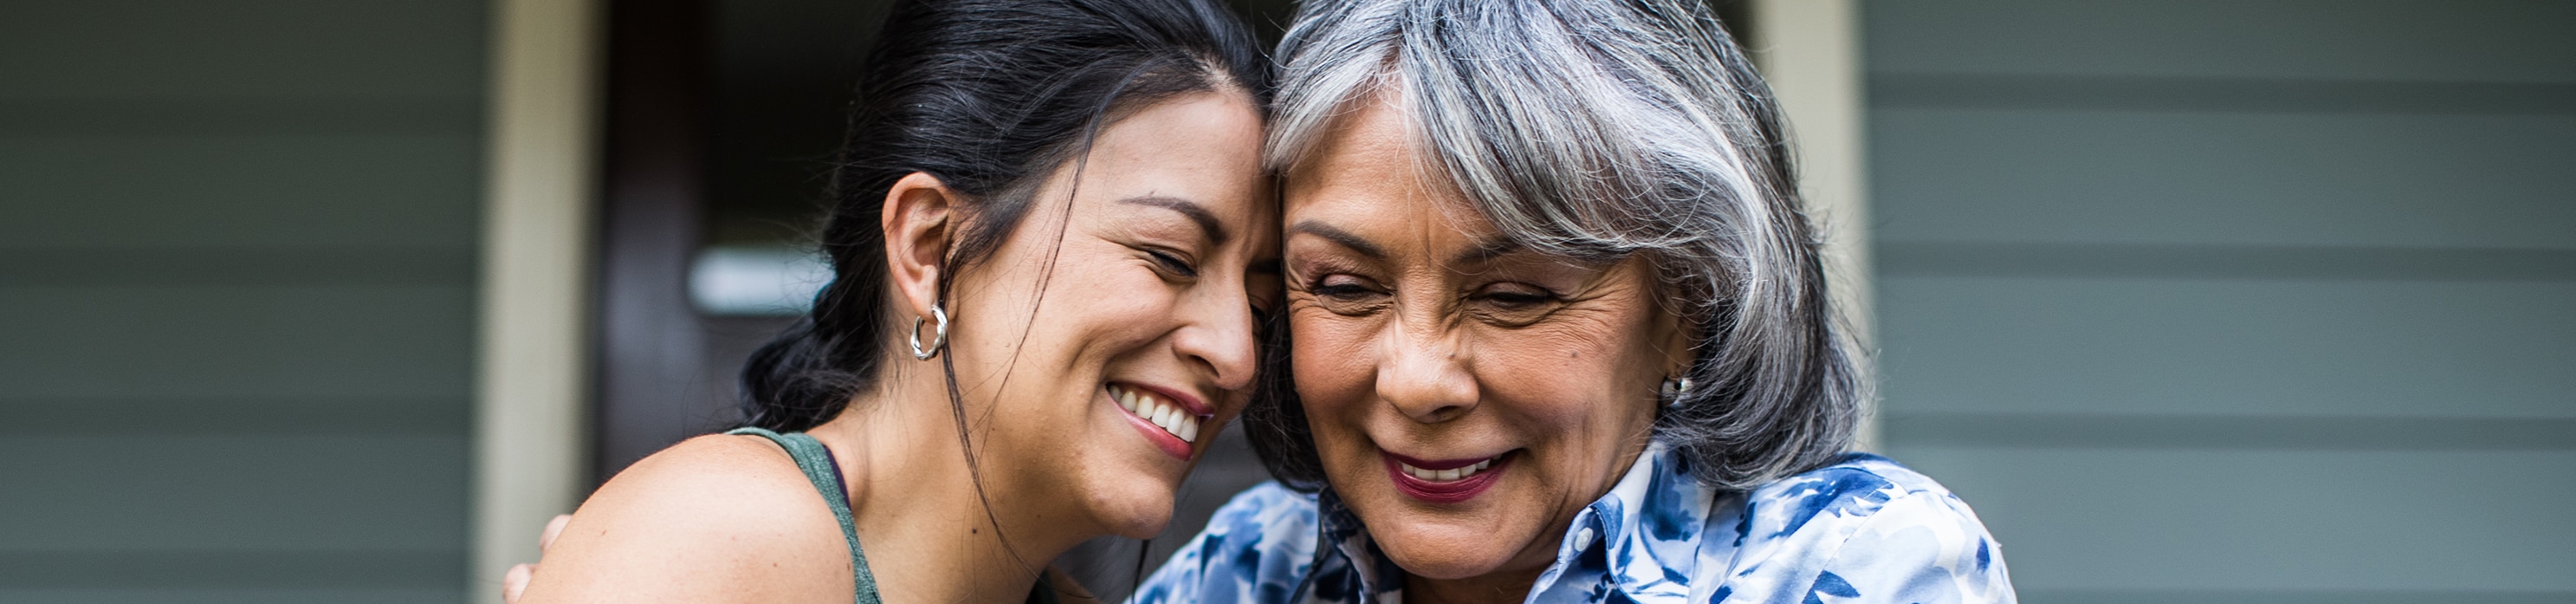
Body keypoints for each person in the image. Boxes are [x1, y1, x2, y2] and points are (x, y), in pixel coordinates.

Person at [1132, 0, 2015, 602]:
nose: (1415, 380)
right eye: (1344, 287)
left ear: (1685, 308)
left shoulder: (1846, 562)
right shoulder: (1250, 569)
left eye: (1512, 295)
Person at [507, 0, 1278, 601]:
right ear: (930, 247)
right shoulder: (719, 537)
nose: (1238, 352)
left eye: (1261, 300)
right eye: (1169, 258)